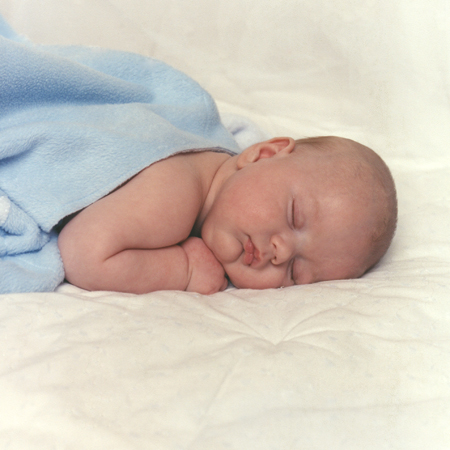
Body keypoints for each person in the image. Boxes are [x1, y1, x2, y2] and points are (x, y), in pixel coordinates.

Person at [58, 135, 397, 295]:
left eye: (295, 272)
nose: (280, 253)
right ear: (263, 153)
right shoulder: (173, 193)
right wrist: (184, 269)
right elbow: (83, 253)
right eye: (294, 216)